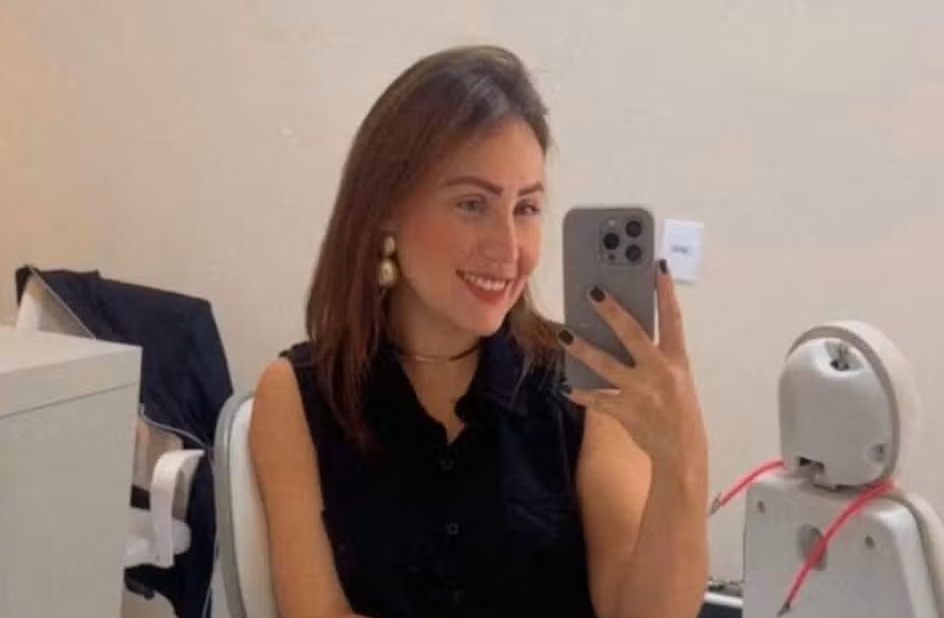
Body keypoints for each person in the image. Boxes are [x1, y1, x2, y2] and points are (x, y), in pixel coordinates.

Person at [250, 44, 709, 618]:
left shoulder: (586, 384)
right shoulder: (297, 395)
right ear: (385, 207)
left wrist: (682, 459)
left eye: (526, 208)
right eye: (472, 204)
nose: (508, 249)